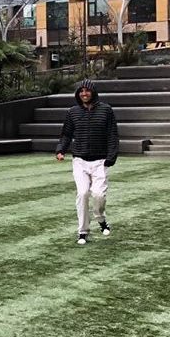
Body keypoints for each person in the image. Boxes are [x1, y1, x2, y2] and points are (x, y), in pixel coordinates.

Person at [55, 79, 119, 245]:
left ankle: (100, 218)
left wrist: (111, 156)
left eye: (87, 91)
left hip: (100, 161)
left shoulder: (106, 110)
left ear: (93, 92)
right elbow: (66, 134)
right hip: (80, 161)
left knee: (98, 195)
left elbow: (112, 135)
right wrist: (61, 149)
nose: (84, 94)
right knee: (82, 194)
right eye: (81, 91)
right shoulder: (73, 112)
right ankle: (82, 232)